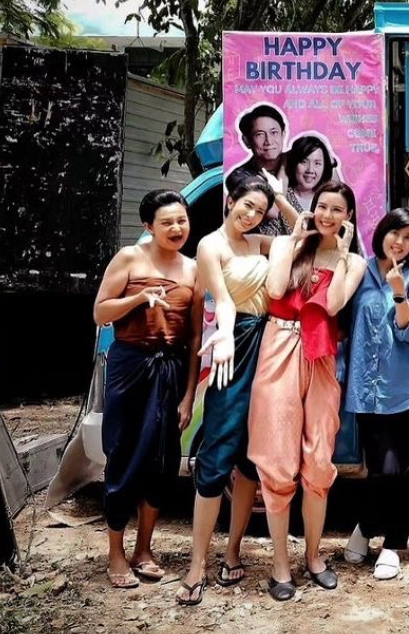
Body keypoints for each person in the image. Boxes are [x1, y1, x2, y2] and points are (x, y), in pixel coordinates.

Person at [248, 181, 366, 601]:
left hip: (321, 358)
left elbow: (331, 305)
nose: (328, 215)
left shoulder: (355, 262)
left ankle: (314, 556)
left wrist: (344, 253)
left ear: (348, 217)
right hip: (279, 347)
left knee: (318, 460)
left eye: (337, 209)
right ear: (312, 209)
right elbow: (275, 290)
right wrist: (295, 240)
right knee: (278, 460)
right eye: (322, 207)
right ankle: (280, 563)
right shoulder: (286, 245)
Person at [93, 190, 200, 589]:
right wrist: (138, 298)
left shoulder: (193, 269)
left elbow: (194, 336)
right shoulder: (129, 258)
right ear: (148, 226)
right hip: (130, 367)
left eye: (181, 220)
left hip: (171, 370)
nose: (176, 228)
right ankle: (115, 553)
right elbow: (100, 312)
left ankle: (144, 549)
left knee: (162, 459)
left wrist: (188, 395)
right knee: (122, 455)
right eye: (167, 222)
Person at [176, 177, 275, 605]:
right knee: (216, 455)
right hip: (232, 350)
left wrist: (279, 196)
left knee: (251, 460)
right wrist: (227, 335)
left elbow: (305, 236)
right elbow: (225, 300)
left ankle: (233, 550)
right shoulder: (210, 245)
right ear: (230, 200)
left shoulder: (261, 243)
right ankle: (197, 563)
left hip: (269, 349)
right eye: (247, 205)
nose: (251, 215)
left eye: (260, 211)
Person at [343, 208, 409, 582]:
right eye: (396, 233)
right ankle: (366, 525)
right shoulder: (358, 270)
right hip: (369, 389)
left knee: (405, 473)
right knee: (382, 470)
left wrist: (399, 293)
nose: (400, 242)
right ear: (382, 231)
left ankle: (393, 544)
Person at [231, 104, 298, 235]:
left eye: (274, 133)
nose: (268, 141)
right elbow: (274, 212)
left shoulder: (300, 162)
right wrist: (284, 169)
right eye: (260, 134)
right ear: (247, 141)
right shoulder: (240, 176)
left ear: (283, 134)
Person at [285, 135, 342, 215]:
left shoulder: (329, 198)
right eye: (304, 162)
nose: (310, 170)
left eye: (317, 163)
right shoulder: (282, 199)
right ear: (294, 163)